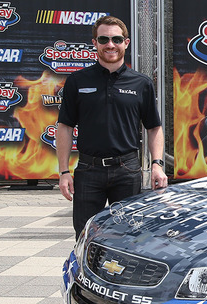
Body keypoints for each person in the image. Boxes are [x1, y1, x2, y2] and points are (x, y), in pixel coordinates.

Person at [56, 15, 168, 238]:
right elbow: (65, 127)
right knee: (86, 236)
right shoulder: (77, 81)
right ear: (95, 43)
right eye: (104, 39)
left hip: (127, 171)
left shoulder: (142, 83)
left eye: (117, 39)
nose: (110, 45)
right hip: (88, 170)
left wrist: (157, 164)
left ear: (126, 43)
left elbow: (154, 128)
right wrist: (63, 172)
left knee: (129, 237)